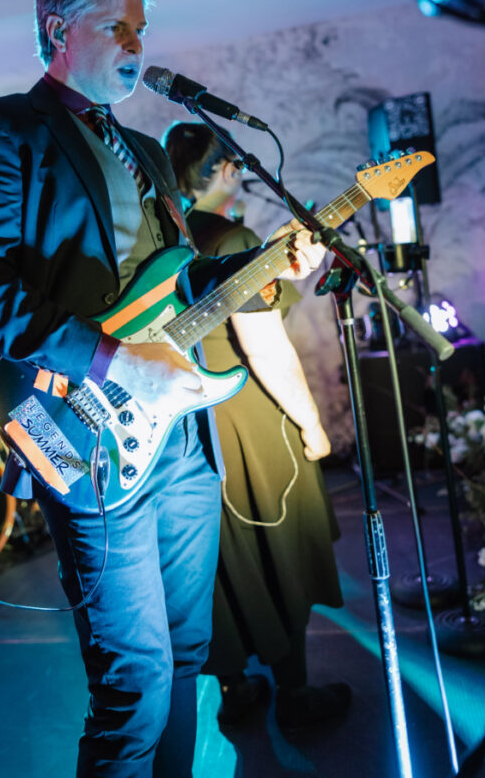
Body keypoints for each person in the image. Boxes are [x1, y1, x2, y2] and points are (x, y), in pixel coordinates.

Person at [0, 0, 326, 776]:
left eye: (140, 28)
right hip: (83, 427)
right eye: (115, 25)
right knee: (135, 683)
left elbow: (184, 284)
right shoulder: (5, 125)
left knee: (188, 658)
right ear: (57, 27)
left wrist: (269, 270)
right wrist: (116, 360)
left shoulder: (150, 156)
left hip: (180, 444)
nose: (135, 44)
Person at [164, 122, 349, 731]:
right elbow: (264, 346)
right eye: (235, 167)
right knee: (278, 548)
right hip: (244, 420)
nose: (239, 175)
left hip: (183, 426)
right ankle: (295, 693)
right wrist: (312, 422)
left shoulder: (165, 236)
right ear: (220, 171)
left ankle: (236, 688)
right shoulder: (232, 236)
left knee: (217, 563)